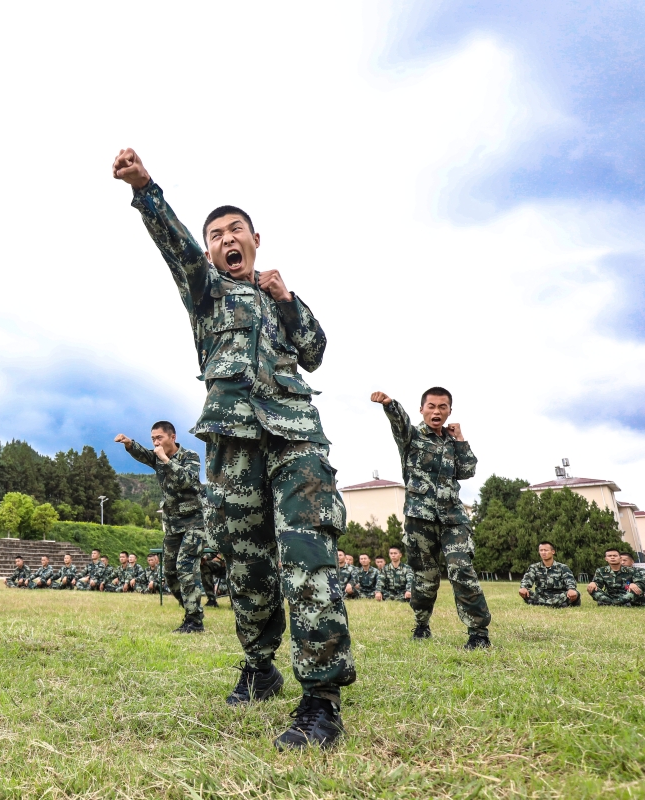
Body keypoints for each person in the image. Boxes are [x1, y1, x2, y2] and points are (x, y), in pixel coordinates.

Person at [115, 147, 353, 749]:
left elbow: (317, 349)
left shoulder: (278, 300)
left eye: (235, 231)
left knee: (308, 556)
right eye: (216, 234)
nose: (226, 240)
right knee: (247, 568)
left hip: (296, 436)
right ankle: (260, 664)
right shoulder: (205, 293)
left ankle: (320, 699)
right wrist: (146, 189)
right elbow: (176, 248)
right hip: (232, 445)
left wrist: (288, 299)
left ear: (255, 240)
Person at [372, 389, 491, 648]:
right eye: (431, 406)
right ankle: (421, 625)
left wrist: (459, 438)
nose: (436, 411)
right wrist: (390, 404)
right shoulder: (411, 436)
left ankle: (479, 633)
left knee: (461, 570)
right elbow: (399, 422)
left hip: (453, 517)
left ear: (449, 411)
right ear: (422, 409)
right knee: (425, 577)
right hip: (420, 518)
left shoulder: (451, 441)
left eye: (443, 407)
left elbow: (467, 471)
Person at [116, 422, 209, 632]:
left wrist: (166, 460)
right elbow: (144, 455)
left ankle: (194, 621)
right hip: (173, 525)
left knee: (186, 568)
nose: (156, 443)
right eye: (153, 439)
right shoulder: (156, 457)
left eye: (159, 438)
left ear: (172, 437)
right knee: (170, 573)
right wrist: (130, 444)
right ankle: (190, 609)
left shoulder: (190, 456)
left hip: (194, 523)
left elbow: (188, 480)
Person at [519, 542, 580, 607]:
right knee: (524, 591)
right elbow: (527, 579)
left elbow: (570, 581)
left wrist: (571, 589)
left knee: (575, 593)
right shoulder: (534, 567)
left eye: (546, 550)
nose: (543, 552)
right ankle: (557, 605)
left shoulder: (563, 567)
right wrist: (523, 588)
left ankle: (540, 604)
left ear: (553, 552)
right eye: (541, 550)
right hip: (541, 597)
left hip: (559, 596)